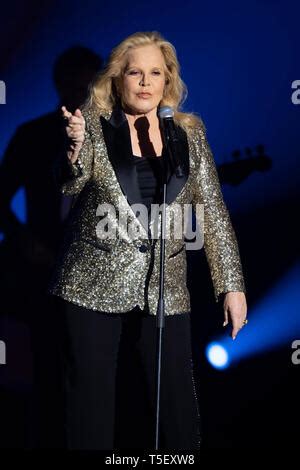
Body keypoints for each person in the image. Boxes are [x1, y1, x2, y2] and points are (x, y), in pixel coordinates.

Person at [48, 31, 247, 450]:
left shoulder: (189, 134)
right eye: (135, 72)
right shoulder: (94, 128)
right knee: (90, 406)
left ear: (167, 80)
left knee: (176, 407)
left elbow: (211, 211)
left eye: (155, 73)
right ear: (118, 79)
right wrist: (74, 148)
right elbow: (69, 184)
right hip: (91, 283)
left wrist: (232, 284)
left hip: (165, 285)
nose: (144, 82)